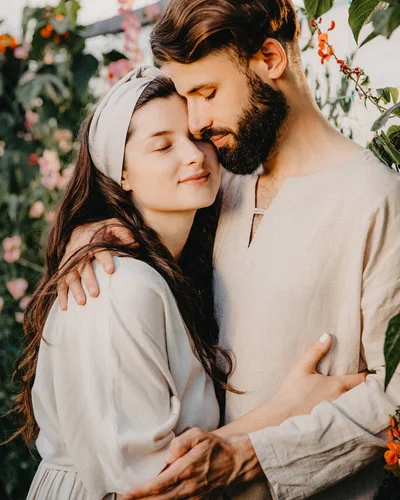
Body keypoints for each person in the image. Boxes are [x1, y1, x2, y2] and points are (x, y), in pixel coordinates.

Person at [59, 0, 400, 500]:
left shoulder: (377, 198)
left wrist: (250, 456)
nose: (194, 124)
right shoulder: (226, 183)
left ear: (269, 59)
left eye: (207, 92)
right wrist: (98, 232)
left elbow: (395, 394)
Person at [10, 67, 360, 500]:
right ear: (121, 174)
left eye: (198, 137)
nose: (193, 155)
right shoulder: (116, 285)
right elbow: (153, 484)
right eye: (162, 146)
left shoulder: (180, 262)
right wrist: (287, 408)